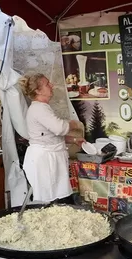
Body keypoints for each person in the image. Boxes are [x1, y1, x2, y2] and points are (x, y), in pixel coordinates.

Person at [18, 73, 85, 204]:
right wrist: (73, 123)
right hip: (44, 161)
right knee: (49, 199)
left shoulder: (43, 108)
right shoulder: (38, 109)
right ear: (38, 90)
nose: (52, 86)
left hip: (49, 158)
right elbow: (59, 128)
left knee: (56, 197)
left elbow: (51, 136)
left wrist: (74, 140)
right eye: (47, 84)